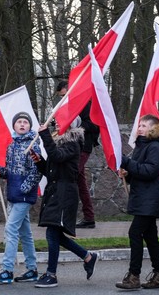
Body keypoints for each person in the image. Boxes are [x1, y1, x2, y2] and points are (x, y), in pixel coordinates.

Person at [31, 116, 98, 288]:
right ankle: (88, 257)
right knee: (56, 234)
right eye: (58, 120)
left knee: (52, 233)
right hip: (55, 192)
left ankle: (51, 274)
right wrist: (39, 162)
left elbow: (57, 155)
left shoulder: (73, 143)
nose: (58, 122)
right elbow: (51, 171)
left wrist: (44, 134)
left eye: (63, 119)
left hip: (65, 194)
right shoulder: (59, 142)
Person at [116, 114, 159, 290]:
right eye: (139, 125)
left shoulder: (154, 147)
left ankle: (134, 276)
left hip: (151, 199)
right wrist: (128, 174)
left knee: (135, 233)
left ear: (153, 129)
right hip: (145, 198)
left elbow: (150, 171)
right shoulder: (143, 146)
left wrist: (127, 162)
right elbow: (140, 172)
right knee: (150, 236)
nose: (140, 128)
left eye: (144, 126)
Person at [0, 112, 42, 284]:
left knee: (10, 229)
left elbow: (37, 171)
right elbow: (10, 172)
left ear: (29, 126)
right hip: (13, 193)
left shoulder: (33, 145)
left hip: (23, 196)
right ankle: (32, 269)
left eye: (25, 122)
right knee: (25, 233)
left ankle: (7, 270)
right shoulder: (11, 146)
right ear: (14, 126)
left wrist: (24, 188)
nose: (22, 124)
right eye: (19, 121)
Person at [55, 80, 100, 229]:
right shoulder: (67, 106)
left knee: (70, 176)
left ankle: (65, 215)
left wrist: (73, 125)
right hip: (71, 145)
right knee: (79, 182)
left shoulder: (84, 104)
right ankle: (89, 217)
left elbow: (94, 125)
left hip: (82, 147)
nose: (63, 98)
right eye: (61, 96)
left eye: (64, 95)